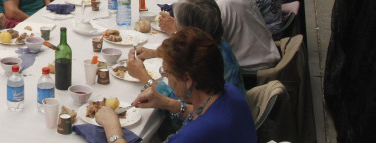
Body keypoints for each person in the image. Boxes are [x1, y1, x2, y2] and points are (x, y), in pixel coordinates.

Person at [95, 27, 256, 143]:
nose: (167, 79)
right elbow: (202, 112)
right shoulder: (229, 93)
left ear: (187, 79)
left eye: (166, 73)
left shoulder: (194, 135)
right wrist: (169, 103)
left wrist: (113, 131)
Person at [133, 0, 245, 95]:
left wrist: (144, 77)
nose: (174, 23)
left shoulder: (205, 63)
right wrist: (156, 53)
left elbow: (180, 106)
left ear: (188, 31)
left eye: (176, 20)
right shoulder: (216, 43)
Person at [179, 0, 279, 70]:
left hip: (251, 70)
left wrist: (176, 30)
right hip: (266, 51)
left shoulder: (218, 7)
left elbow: (201, 51)